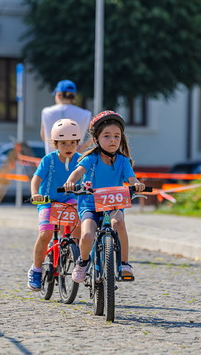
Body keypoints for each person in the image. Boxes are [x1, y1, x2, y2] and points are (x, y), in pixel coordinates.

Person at [63, 110, 145, 283]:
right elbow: (78, 172)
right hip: (90, 205)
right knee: (87, 235)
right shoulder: (91, 158)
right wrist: (70, 182)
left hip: (113, 204)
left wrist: (136, 184)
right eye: (107, 136)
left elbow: (131, 178)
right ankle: (83, 261)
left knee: (119, 222)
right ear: (96, 139)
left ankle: (124, 264)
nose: (112, 140)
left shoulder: (123, 161)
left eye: (116, 136)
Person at [27, 119, 83, 291]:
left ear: (77, 143)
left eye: (72, 143)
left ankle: (74, 253)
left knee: (79, 222)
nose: (68, 147)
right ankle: (36, 269)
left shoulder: (81, 160)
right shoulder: (48, 160)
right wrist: (35, 194)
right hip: (48, 201)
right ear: (55, 144)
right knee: (46, 234)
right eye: (63, 143)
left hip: (70, 199)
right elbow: (36, 178)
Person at [40, 80, 92, 154]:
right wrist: (82, 147)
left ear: (59, 95)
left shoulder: (46, 112)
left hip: (52, 158)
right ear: (74, 97)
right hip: (75, 158)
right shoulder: (85, 114)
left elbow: (43, 136)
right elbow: (96, 133)